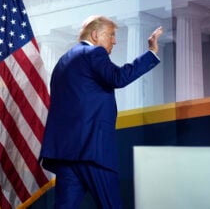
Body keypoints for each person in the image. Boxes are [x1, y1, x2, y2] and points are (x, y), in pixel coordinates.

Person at [39, 15, 163, 209]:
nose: (114, 40)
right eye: (111, 35)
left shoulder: (64, 61)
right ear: (95, 35)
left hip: (66, 154)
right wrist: (151, 53)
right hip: (93, 151)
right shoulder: (93, 53)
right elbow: (118, 77)